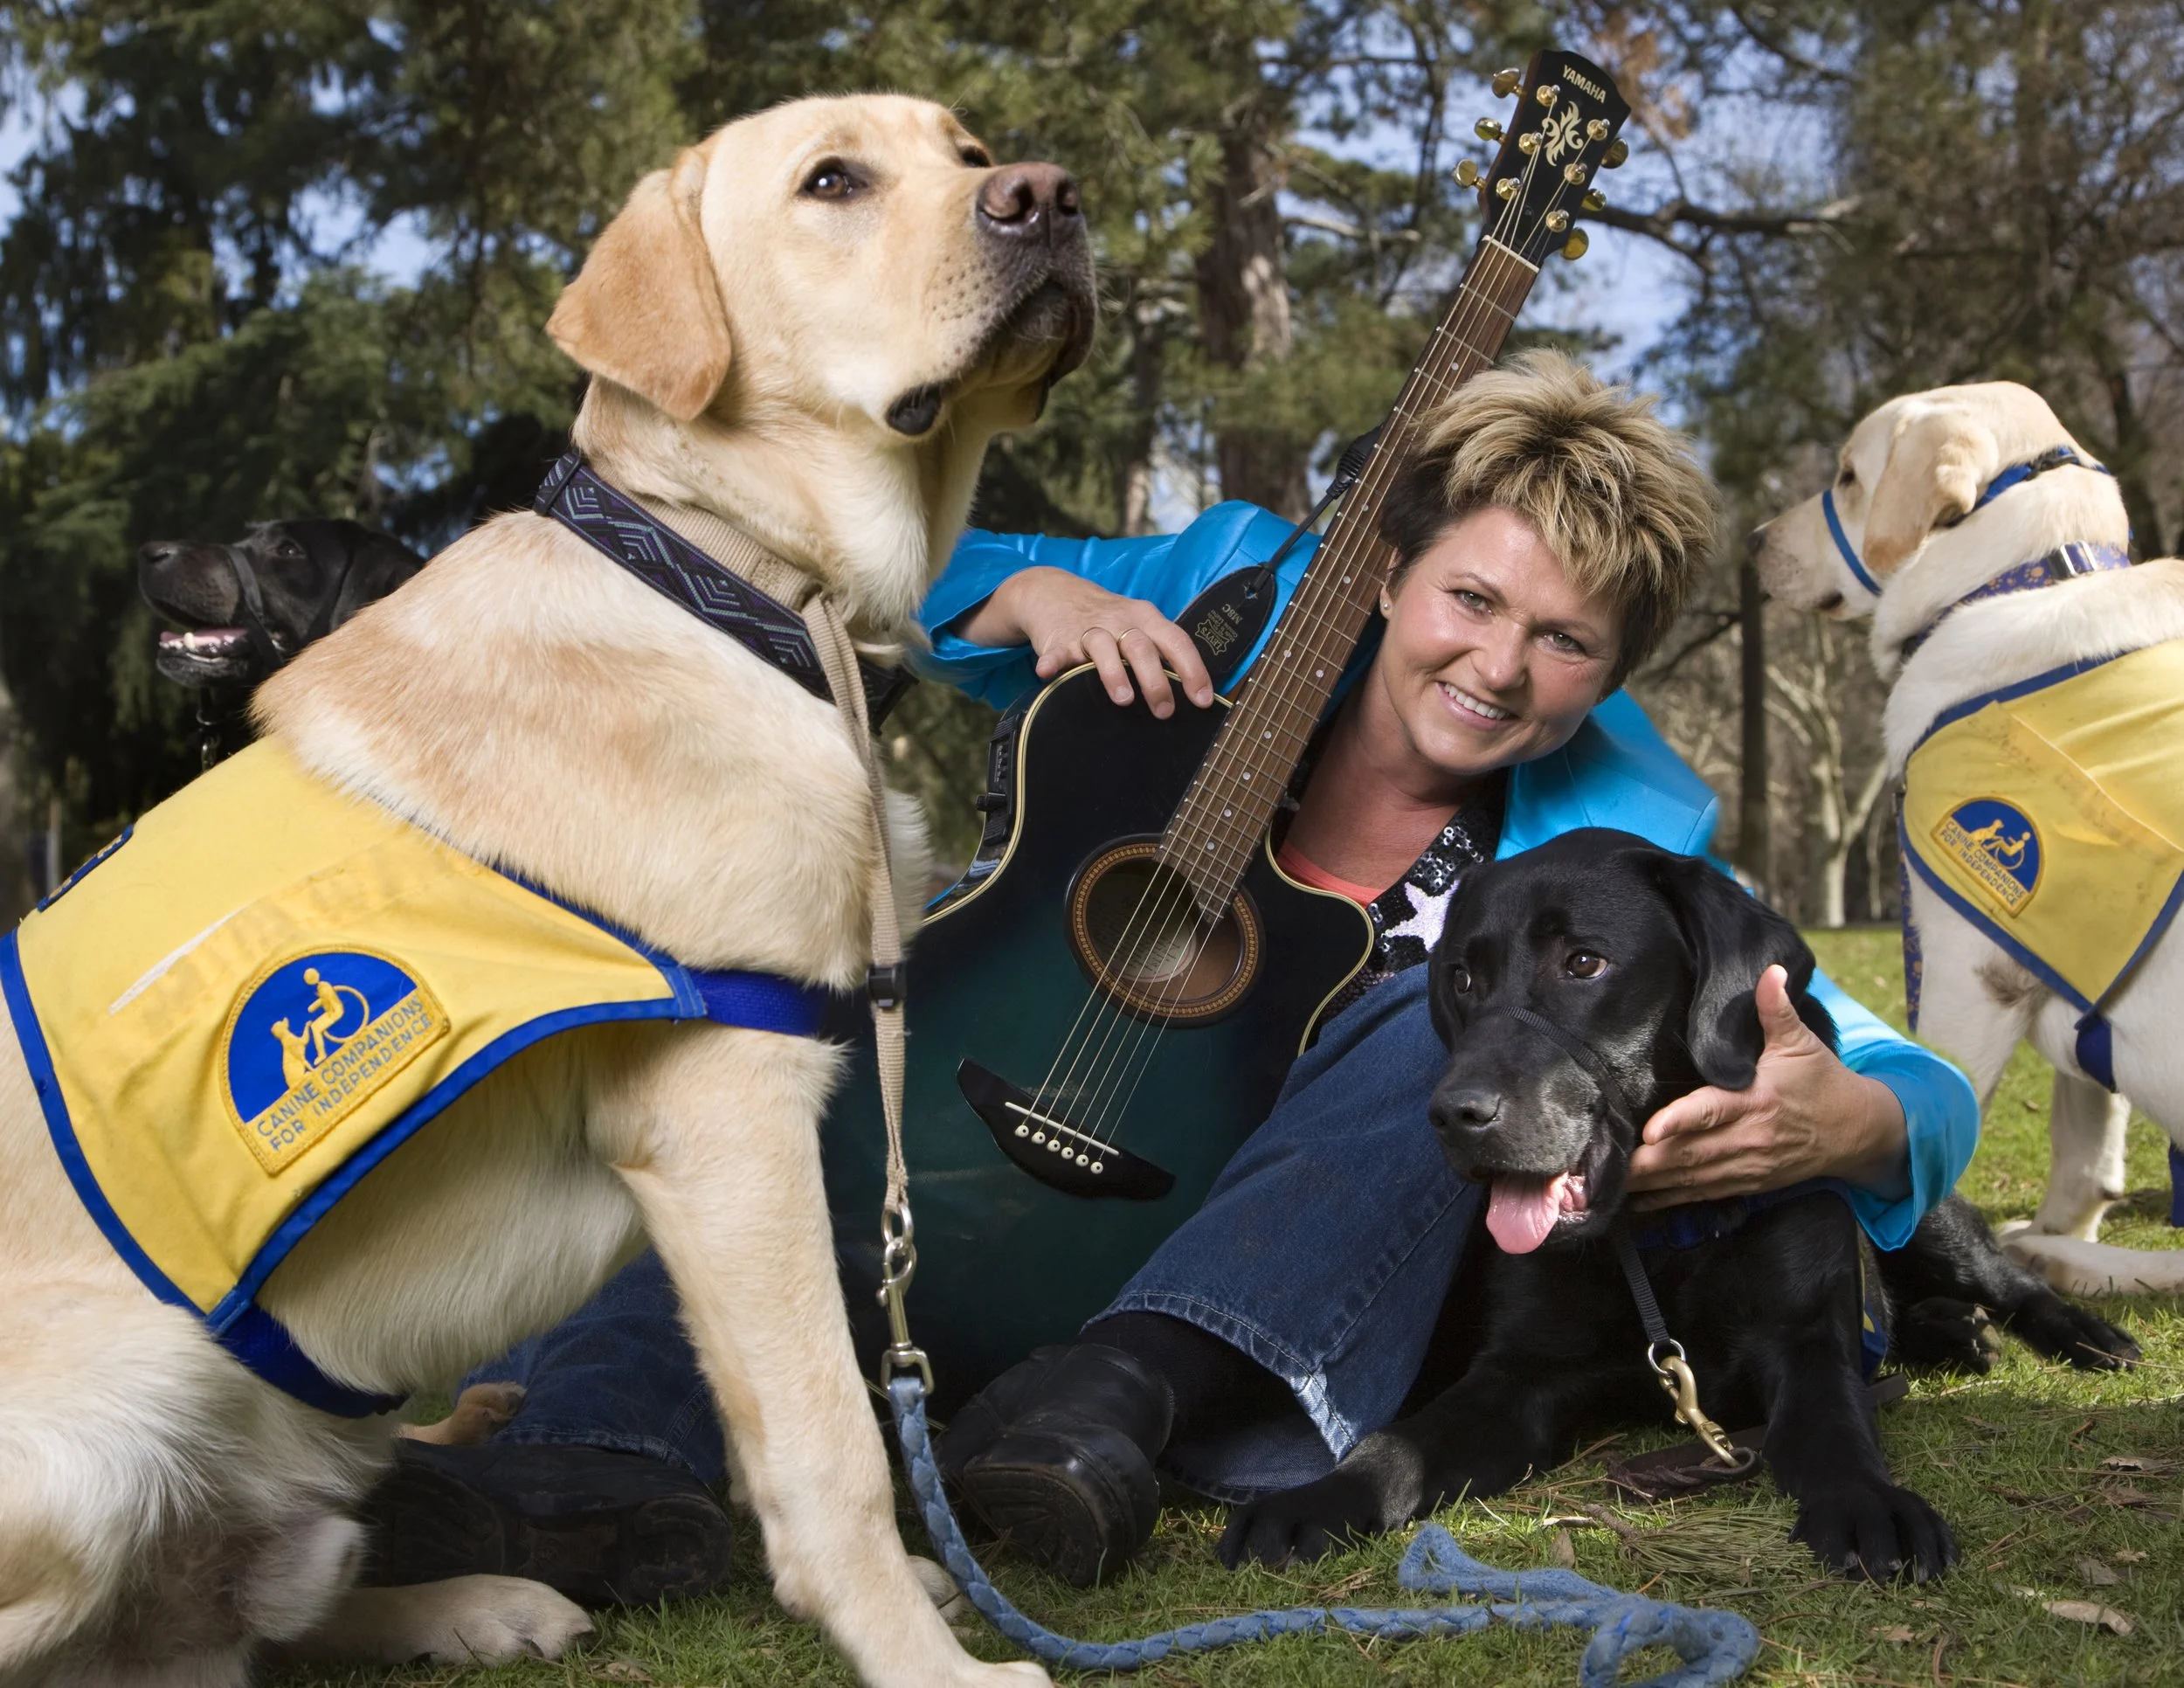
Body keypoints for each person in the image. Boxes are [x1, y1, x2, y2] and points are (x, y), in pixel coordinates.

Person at [363, 352, 1977, 1601]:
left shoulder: (1631, 824)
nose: (1498, 666)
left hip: (1214, 1265)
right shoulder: (1237, 584)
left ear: (1612, 675)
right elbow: (843, 556)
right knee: (775, 976)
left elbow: (1891, 1070)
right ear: (1386, 570)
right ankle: (596, 1462)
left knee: (1425, 1025)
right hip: (970, 1141)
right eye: (1471, 598)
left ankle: (1109, 1402)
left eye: (1566, 644)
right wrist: (1021, 592)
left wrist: (1852, 1124)